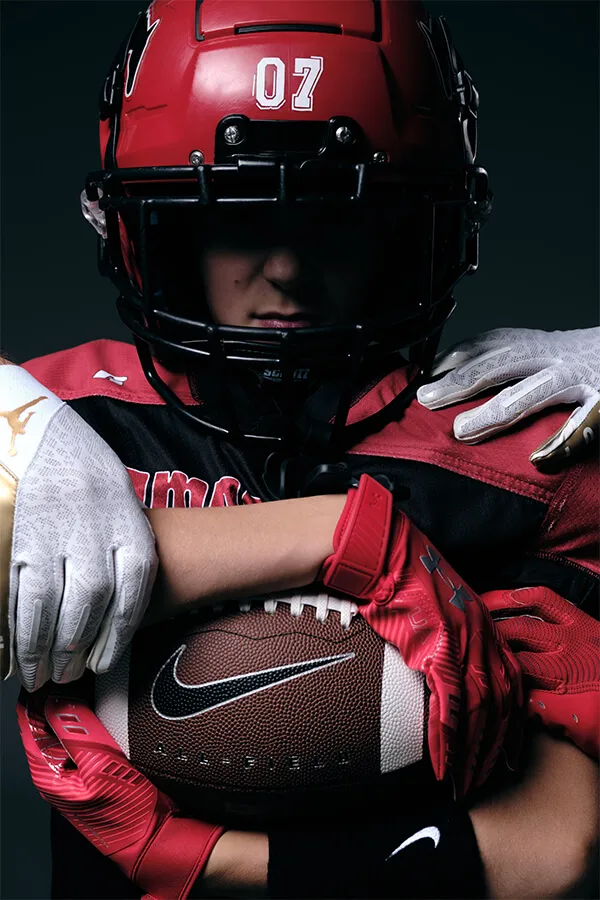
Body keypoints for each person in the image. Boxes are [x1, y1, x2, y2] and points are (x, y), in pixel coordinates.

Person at [4, 1, 598, 897]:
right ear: (155, 229)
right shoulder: (62, 418)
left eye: (331, 220)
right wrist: (14, 419)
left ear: (407, 231)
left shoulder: (511, 446)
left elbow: (557, 846)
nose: (286, 268)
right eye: (240, 220)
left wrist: (207, 865)